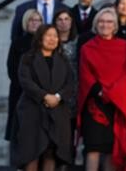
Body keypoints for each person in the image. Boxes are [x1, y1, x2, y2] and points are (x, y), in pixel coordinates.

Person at [10, 25, 74, 171]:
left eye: (55, 36)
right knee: (31, 154)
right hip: (32, 113)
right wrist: (45, 96)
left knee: (50, 153)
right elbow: (25, 81)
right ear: (40, 38)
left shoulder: (63, 60)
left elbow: (70, 84)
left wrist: (57, 97)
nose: (53, 39)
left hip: (57, 113)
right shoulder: (27, 58)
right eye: (48, 35)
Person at [78, 7, 126, 171]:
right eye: (101, 21)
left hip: (117, 103)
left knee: (112, 149)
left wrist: (113, 94)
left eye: (109, 21)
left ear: (115, 25)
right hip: (95, 103)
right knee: (93, 149)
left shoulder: (125, 46)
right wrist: (101, 92)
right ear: (96, 24)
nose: (105, 25)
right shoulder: (87, 48)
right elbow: (85, 75)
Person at [5, 9, 44, 141]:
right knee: (20, 133)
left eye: (38, 20)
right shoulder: (18, 42)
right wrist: (28, 88)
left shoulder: (46, 43)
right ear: (26, 23)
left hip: (42, 94)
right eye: (31, 20)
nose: (35, 23)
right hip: (20, 92)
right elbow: (12, 69)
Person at [54, 8, 79, 156]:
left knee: (71, 133)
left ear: (71, 22)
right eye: (60, 19)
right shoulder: (50, 40)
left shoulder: (79, 40)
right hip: (55, 91)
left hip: (75, 92)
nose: (63, 23)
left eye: (66, 19)